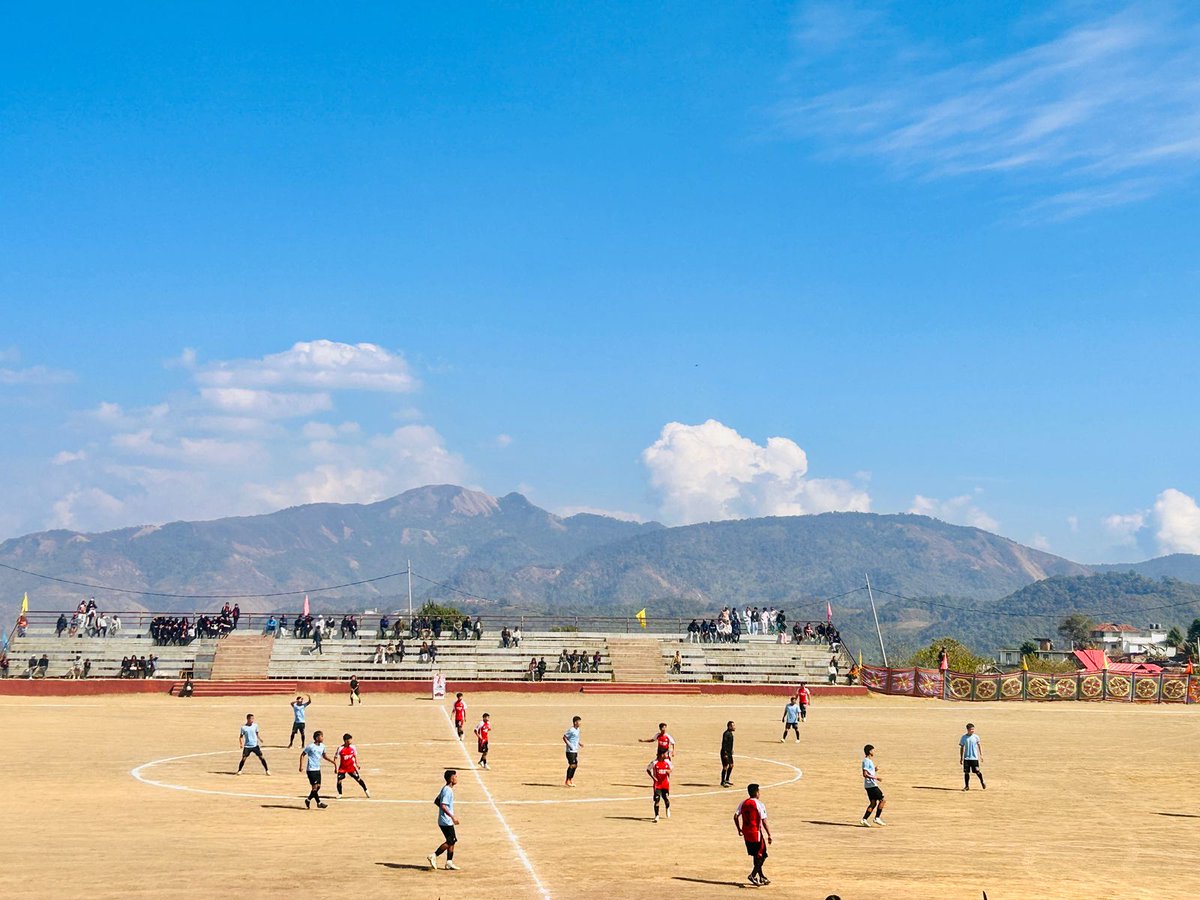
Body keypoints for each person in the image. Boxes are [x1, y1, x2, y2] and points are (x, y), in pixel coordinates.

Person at [734, 783, 772, 887]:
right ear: (756, 793)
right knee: (762, 855)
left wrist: (739, 829)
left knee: (756, 855)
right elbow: (764, 821)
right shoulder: (759, 804)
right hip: (756, 833)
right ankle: (753, 875)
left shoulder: (743, 803)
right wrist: (769, 834)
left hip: (746, 833)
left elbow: (736, 816)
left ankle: (761, 876)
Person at [428, 769, 461, 871]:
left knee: (452, 841)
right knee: (451, 840)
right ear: (451, 779)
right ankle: (433, 855)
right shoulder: (447, 791)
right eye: (455, 776)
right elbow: (442, 805)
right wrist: (452, 816)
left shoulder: (445, 789)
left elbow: (437, 801)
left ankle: (449, 863)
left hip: (445, 820)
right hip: (445, 821)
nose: (456, 778)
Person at [300, 730, 334, 809]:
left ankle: (308, 800)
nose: (322, 738)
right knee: (314, 787)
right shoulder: (311, 746)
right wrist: (301, 766)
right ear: (317, 737)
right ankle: (319, 803)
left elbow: (324, 756)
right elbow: (302, 755)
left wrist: (332, 761)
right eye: (321, 736)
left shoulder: (323, 746)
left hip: (317, 769)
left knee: (318, 787)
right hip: (311, 769)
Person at [335, 733, 370, 798]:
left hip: (351, 767)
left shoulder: (353, 747)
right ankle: (340, 794)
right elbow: (335, 757)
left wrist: (357, 764)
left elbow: (355, 756)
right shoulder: (340, 748)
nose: (351, 741)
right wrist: (335, 767)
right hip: (342, 768)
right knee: (339, 780)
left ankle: (366, 790)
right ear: (345, 741)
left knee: (358, 779)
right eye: (349, 740)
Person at [860, 744, 886, 826]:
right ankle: (877, 818)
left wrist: (874, 770)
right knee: (882, 800)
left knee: (873, 803)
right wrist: (876, 778)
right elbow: (865, 774)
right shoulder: (867, 761)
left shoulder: (868, 761)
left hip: (869, 785)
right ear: (870, 751)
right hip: (872, 785)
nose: (874, 752)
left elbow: (869, 772)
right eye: (873, 750)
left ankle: (864, 819)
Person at [647, 746, 673, 822]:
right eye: (666, 753)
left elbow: (671, 769)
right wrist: (653, 777)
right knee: (657, 800)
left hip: (665, 784)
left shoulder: (668, 762)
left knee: (666, 799)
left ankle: (667, 808)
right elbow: (648, 769)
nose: (667, 755)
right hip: (657, 785)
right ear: (662, 755)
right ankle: (656, 816)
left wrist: (669, 771)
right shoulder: (654, 763)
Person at [959, 723, 986, 791]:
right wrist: (961, 757)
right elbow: (962, 747)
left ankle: (982, 781)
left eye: (973, 729)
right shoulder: (964, 737)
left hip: (974, 758)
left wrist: (981, 755)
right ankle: (967, 786)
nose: (973, 730)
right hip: (966, 758)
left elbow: (979, 746)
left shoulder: (976, 737)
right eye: (971, 729)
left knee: (977, 771)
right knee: (966, 772)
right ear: (968, 730)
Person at [563, 716, 583, 786]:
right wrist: (570, 745)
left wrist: (579, 743)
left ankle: (570, 779)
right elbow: (564, 737)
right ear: (575, 722)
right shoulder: (571, 730)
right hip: (570, 751)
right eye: (579, 722)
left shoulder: (578, 730)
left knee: (575, 765)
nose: (580, 723)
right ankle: (567, 780)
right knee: (572, 765)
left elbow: (576, 738)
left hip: (575, 750)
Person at [720, 720, 736, 787]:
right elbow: (724, 744)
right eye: (733, 726)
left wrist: (731, 750)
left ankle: (727, 780)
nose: (734, 727)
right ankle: (723, 781)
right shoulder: (726, 734)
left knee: (731, 765)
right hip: (725, 753)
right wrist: (725, 753)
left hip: (729, 753)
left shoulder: (730, 733)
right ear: (729, 726)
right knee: (725, 767)